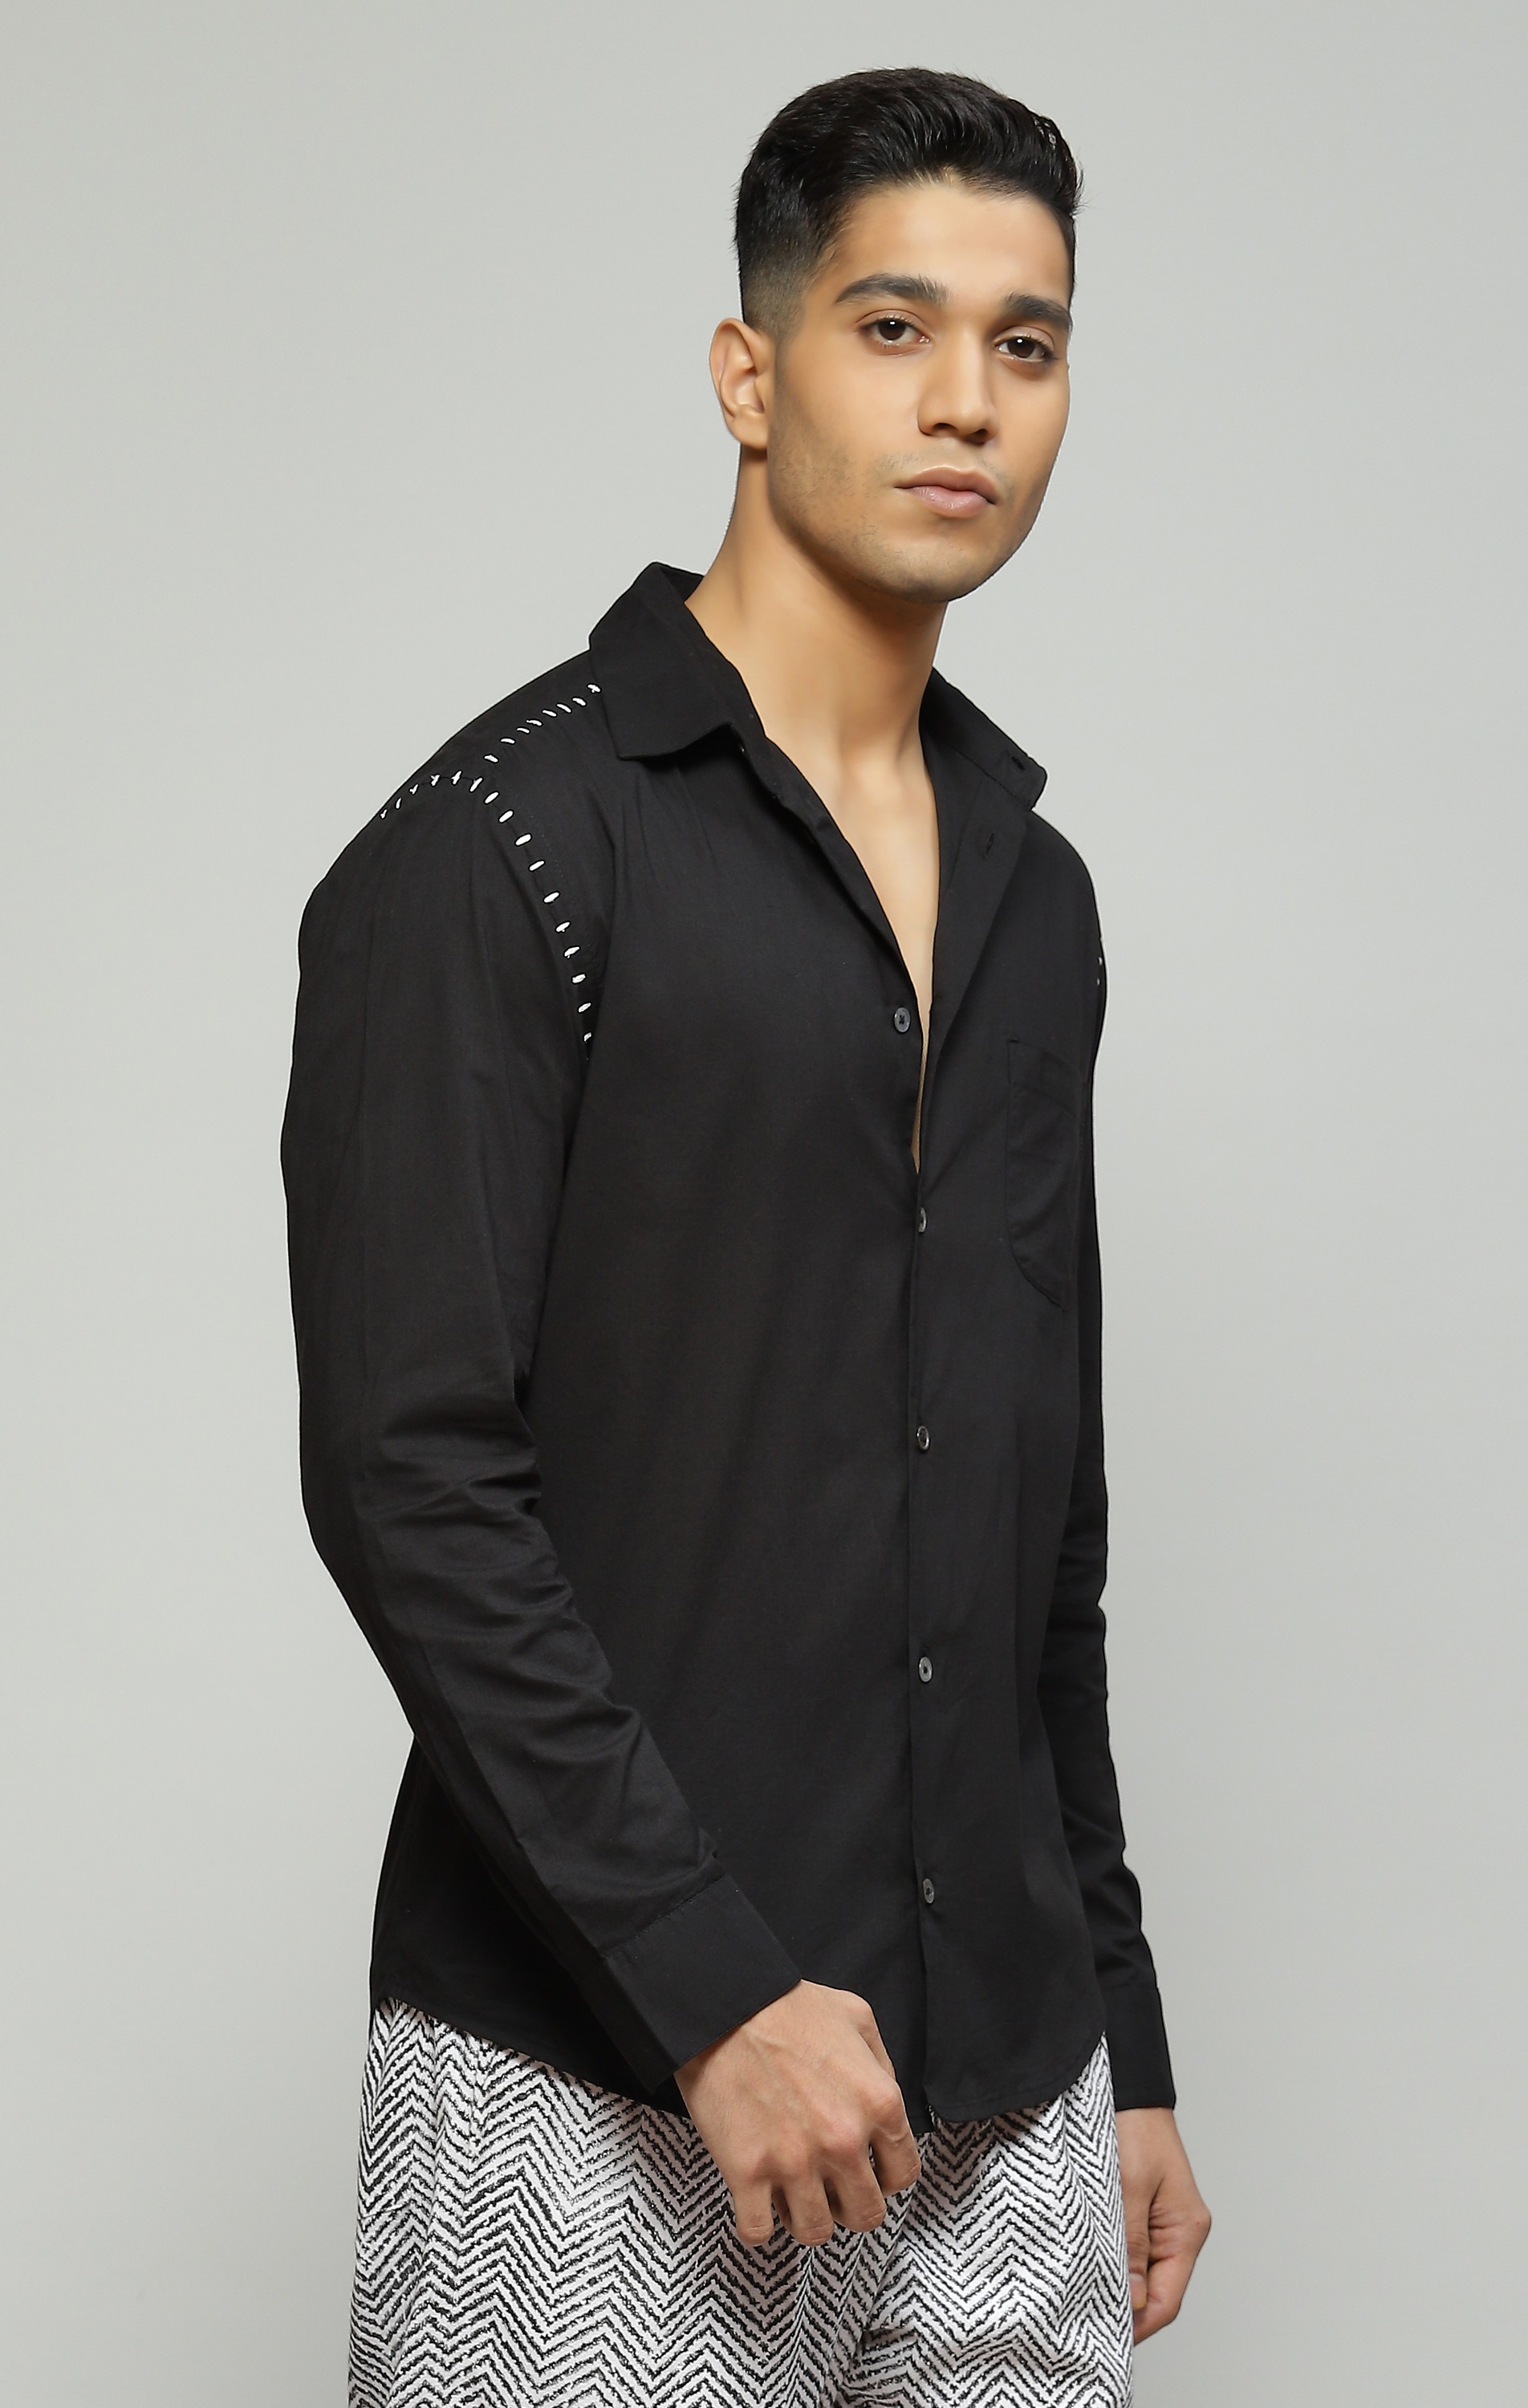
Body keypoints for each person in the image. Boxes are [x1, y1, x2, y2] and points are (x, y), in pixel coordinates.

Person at [282, 63, 1210, 2408]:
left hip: (1006, 2103)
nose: (968, 400)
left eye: (1026, 342)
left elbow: (1039, 1521)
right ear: (750, 371)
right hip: (594, 2087)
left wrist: (1119, 2030)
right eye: (895, 327)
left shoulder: (1039, 899)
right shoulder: (497, 853)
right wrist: (712, 1986)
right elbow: (413, 1482)